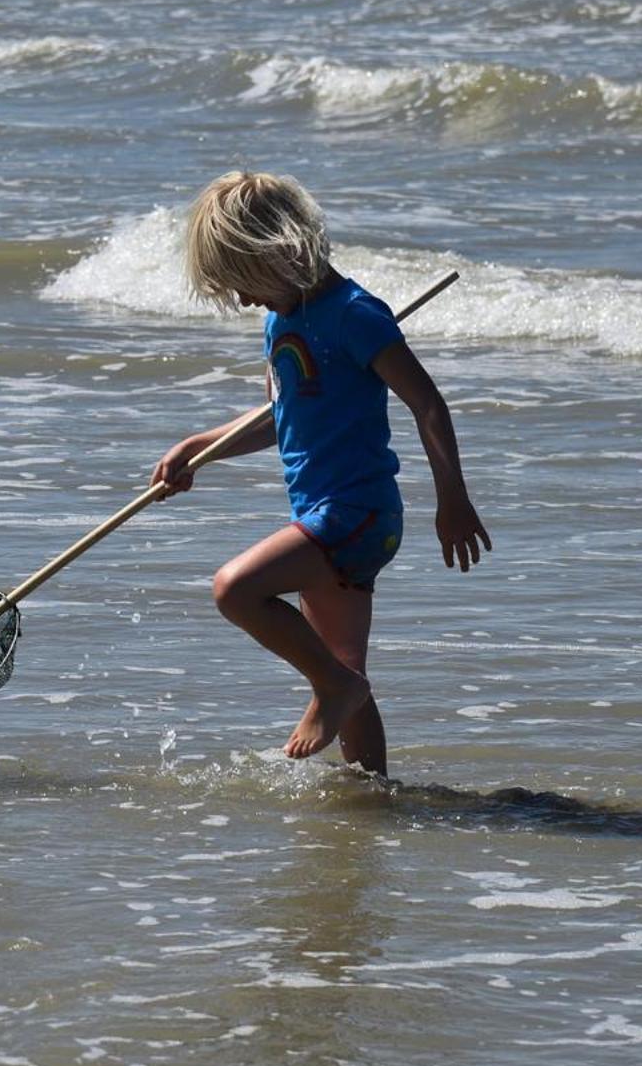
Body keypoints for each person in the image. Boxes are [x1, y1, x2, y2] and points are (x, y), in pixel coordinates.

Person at [149, 171, 490, 776]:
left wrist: (453, 500)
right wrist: (201, 447)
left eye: (243, 283)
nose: (244, 300)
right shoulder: (282, 318)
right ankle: (370, 805)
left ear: (276, 250)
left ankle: (329, 689)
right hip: (322, 515)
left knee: (236, 589)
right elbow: (286, 417)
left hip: (355, 515)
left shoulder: (353, 314)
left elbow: (427, 402)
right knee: (348, 673)